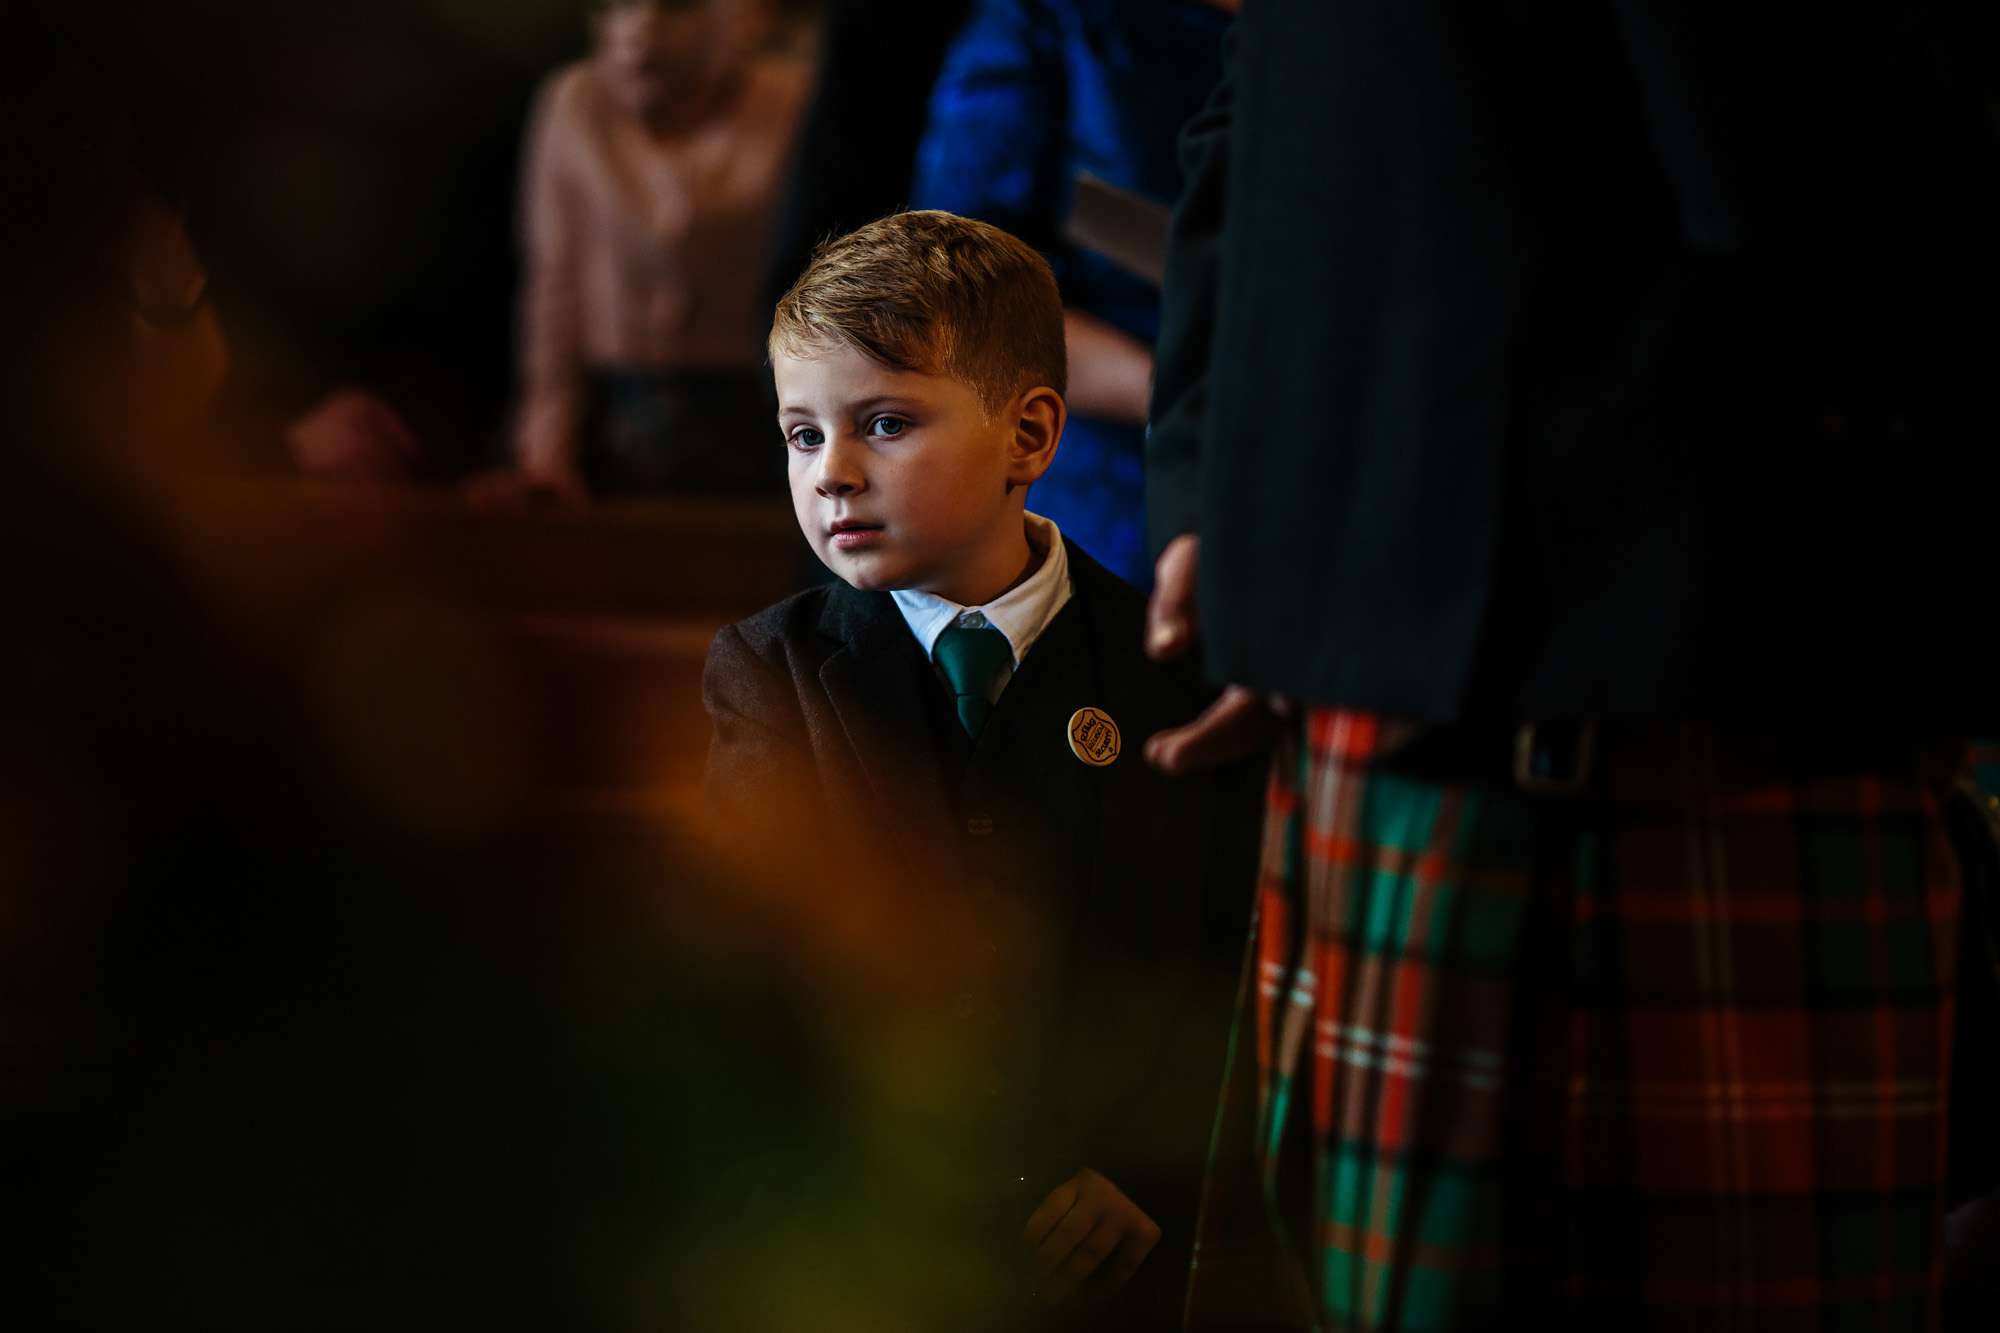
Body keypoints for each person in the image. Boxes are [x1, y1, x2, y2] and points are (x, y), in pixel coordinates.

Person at [1141, 3, 2000, 1329]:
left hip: (1473, 657)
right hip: (1679, 692)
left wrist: (1246, 496)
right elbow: (1803, 159)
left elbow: (1261, 122)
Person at [702, 211, 1258, 1326]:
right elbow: (758, 963)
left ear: (1029, 435)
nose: (835, 475)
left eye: (885, 422)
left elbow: (1214, 947)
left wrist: (1141, 1171)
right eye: (801, 435)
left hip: (1117, 1225)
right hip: (877, 1222)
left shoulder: (1171, 664)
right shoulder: (769, 669)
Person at [908, 0, 1235, 586]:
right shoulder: (1049, 24)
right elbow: (959, 288)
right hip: (1108, 461)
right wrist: (1175, 398)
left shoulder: (1337, 33)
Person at [485, 0, 806, 505]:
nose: (642, 27)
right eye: (616, 4)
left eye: (678, 7)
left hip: (762, 412)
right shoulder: (573, 101)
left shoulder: (792, 102)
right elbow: (554, 286)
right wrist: (546, 452)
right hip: (613, 416)